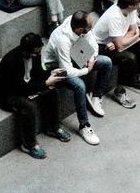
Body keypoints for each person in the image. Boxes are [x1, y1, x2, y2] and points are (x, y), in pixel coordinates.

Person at [0, 32, 72, 158]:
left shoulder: (35, 53)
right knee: (28, 106)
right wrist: (45, 83)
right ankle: (29, 144)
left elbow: (38, 73)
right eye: (35, 53)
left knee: (53, 91)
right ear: (25, 51)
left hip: (26, 85)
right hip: (7, 93)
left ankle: (53, 127)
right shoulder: (11, 61)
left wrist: (50, 73)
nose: (38, 55)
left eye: (39, 51)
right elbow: (21, 88)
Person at [42, 11, 110, 145]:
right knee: (79, 85)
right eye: (88, 28)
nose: (90, 30)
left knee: (106, 61)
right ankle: (84, 126)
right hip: (55, 67)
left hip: (74, 54)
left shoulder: (76, 24)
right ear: (79, 29)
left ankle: (96, 97)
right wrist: (86, 70)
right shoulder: (62, 40)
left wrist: (92, 58)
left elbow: (93, 43)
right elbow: (66, 71)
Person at [91, 0, 140, 105]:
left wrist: (128, 37)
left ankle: (139, 78)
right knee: (128, 58)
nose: (139, 5)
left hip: (117, 40)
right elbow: (122, 45)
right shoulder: (114, 16)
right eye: (137, 4)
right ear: (130, 5)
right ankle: (119, 91)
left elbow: (132, 30)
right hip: (102, 47)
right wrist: (135, 36)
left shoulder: (130, 11)